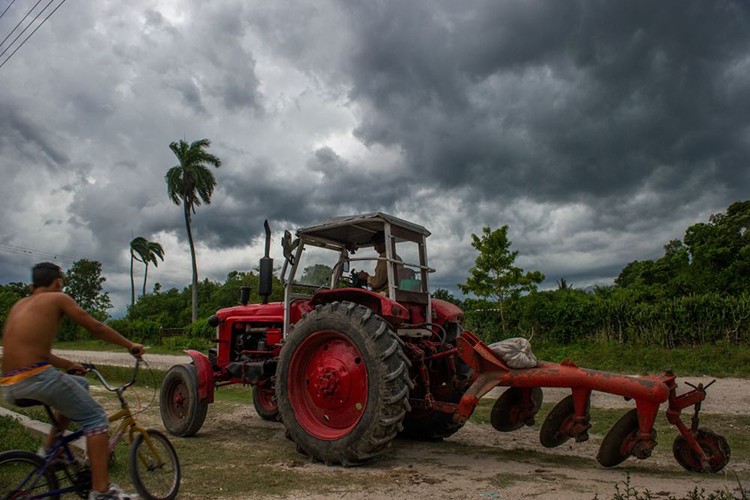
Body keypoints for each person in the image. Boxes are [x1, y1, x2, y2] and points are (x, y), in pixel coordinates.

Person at [1, 262, 145, 500]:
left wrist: (68, 365)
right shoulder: (58, 298)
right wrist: (130, 345)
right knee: (96, 419)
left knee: (80, 385)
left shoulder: (19, 305)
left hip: (10, 384)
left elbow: (35, 350)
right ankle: (101, 492)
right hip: (36, 377)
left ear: (31, 285)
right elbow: (95, 327)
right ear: (58, 283)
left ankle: (50, 451)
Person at [357, 231, 403, 296]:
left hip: (386, 293)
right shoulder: (397, 257)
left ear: (383, 243)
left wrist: (366, 277)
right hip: (393, 291)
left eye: (375, 245)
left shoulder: (384, 257)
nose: (375, 248)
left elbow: (378, 282)